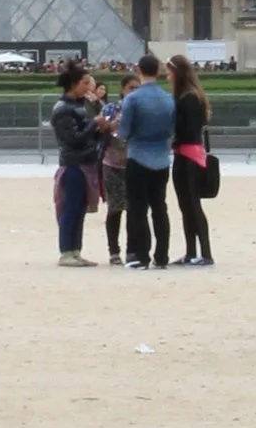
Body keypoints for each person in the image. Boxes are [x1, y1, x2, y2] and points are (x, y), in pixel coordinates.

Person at [116, 52, 176, 269]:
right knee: (160, 207)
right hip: (161, 158)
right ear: (159, 71)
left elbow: (123, 132)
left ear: (138, 71)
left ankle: (141, 256)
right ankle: (162, 256)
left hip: (138, 156)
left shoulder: (132, 99)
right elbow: (172, 129)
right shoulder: (168, 99)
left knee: (138, 208)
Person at [50, 62, 107, 264]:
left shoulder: (76, 105)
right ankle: (66, 251)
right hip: (74, 164)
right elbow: (73, 138)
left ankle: (74, 250)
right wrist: (96, 124)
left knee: (79, 209)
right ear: (74, 84)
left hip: (83, 162)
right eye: (85, 83)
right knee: (72, 209)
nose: (88, 87)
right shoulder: (64, 109)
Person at [171, 57, 216, 266]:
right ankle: (193, 252)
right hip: (192, 154)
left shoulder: (187, 98)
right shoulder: (194, 96)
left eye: (169, 72)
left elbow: (186, 130)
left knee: (191, 206)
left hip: (187, 155)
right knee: (188, 206)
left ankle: (203, 253)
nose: (167, 76)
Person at [101, 68, 135, 261]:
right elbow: (101, 132)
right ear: (123, 89)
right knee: (115, 208)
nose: (134, 92)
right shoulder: (111, 109)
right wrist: (113, 124)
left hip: (134, 163)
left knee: (133, 209)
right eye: (131, 88)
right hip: (112, 163)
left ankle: (131, 249)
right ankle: (114, 251)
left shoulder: (141, 109)